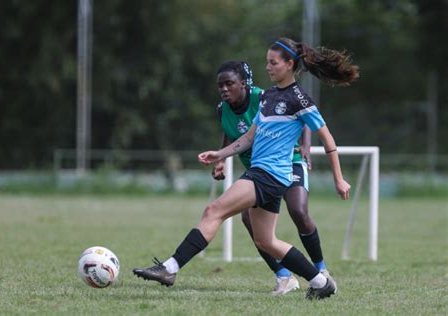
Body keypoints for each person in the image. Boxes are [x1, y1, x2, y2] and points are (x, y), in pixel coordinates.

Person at [134, 36, 359, 300]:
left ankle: (169, 268)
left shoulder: (299, 99)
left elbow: (328, 139)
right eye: (267, 62)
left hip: (269, 174)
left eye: (273, 62)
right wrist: (220, 154)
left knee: (213, 210)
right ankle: (321, 282)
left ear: (289, 64)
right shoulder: (269, 96)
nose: (267, 67)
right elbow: (249, 137)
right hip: (265, 174)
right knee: (266, 241)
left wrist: (339, 179)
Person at [212, 60, 333, 296]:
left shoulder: (265, 97)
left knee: (298, 210)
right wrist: (220, 159)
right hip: (259, 169)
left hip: (290, 161)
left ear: (244, 84)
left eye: (230, 83)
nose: (225, 89)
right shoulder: (222, 108)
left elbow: (302, 113)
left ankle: (322, 271)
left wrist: (306, 146)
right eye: (221, 85)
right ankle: (284, 277)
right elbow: (231, 132)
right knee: (249, 220)